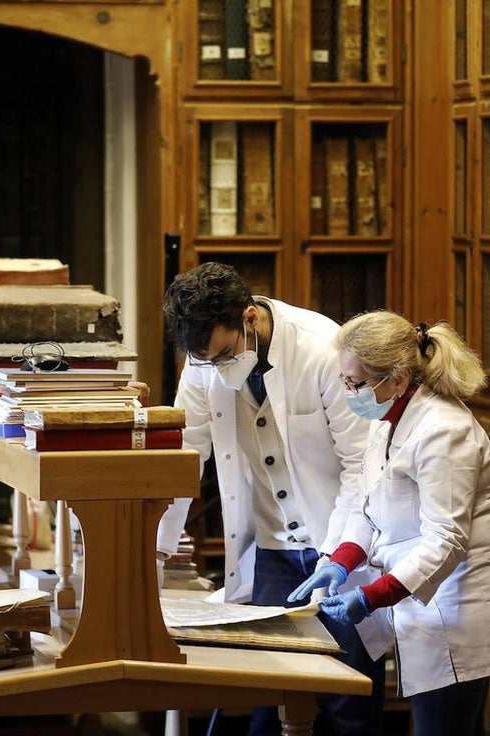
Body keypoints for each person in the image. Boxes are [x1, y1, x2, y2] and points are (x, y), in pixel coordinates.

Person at [156, 262, 389, 736]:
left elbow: (360, 466)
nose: (216, 370)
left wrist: (337, 555)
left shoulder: (322, 348)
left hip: (340, 543)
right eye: (204, 360)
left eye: (224, 355)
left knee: (350, 702)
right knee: (267, 695)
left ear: (248, 317)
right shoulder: (203, 363)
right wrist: (156, 551)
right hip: (272, 549)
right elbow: (184, 457)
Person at [288, 311, 490, 736]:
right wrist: (340, 561)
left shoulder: (445, 431)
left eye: (357, 384)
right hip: (424, 601)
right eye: (345, 381)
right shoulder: (386, 419)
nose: (349, 393)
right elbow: (368, 507)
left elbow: (447, 540)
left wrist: (371, 596)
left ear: (398, 378)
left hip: (462, 602)